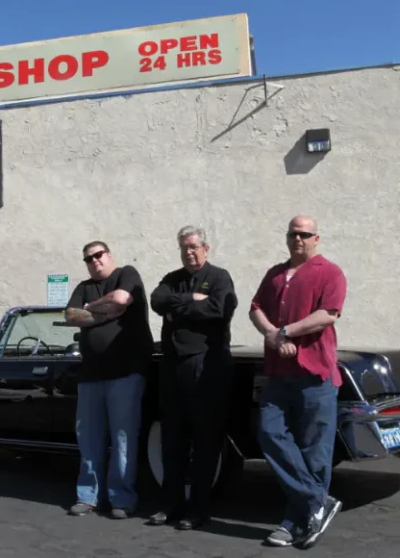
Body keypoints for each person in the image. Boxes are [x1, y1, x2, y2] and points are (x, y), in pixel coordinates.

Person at [249, 215, 347, 548]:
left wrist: (287, 331)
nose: (297, 239)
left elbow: (328, 314)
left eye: (304, 234)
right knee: (269, 432)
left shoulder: (329, 272)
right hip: (278, 374)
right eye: (292, 233)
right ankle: (317, 501)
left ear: (316, 238)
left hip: (314, 376)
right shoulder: (275, 274)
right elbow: (256, 308)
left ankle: (295, 523)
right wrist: (273, 336)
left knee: (313, 453)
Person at [148, 226, 237, 530]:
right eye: (184, 247)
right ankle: (170, 506)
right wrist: (191, 300)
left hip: (206, 367)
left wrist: (180, 309)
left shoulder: (220, 277)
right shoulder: (172, 279)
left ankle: (197, 509)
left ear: (206, 248)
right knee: (172, 439)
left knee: (205, 441)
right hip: (173, 366)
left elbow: (219, 310)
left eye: (194, 246)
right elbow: (157, 301)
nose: (189, 251)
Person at [63, 240, 154, 519]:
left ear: (109, 254)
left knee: (123, 439)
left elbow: (122, 299)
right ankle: (87, 496)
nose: (94, 261)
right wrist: (101, 309)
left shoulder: (127, 273)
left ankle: (122, 499)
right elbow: (70, 316)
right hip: (90, 376)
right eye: (88, 259)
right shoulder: (83, 287)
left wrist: (91, 310)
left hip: (126, 374)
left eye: (98, 255)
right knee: (89, 440)